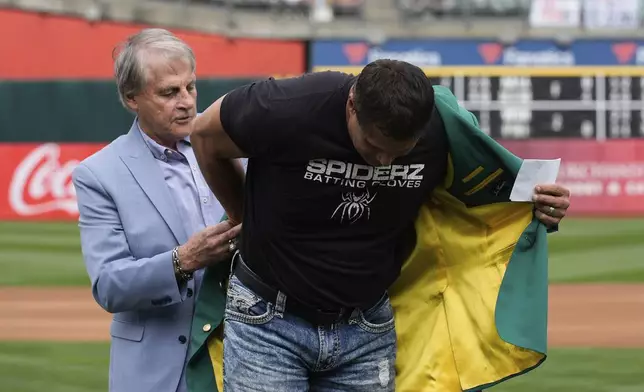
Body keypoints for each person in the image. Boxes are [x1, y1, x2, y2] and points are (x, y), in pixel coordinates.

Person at [188, 60, 571, 391]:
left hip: (367, 328)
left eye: (400, 152)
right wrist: (241, 216)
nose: (384, 162)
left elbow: (494, 190)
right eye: (373, 146)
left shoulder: (440, 127)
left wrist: (541, 205)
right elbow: (204, 135)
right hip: (268, 322)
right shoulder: (286, 106)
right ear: (352, 106)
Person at [71, 28, 241, 392]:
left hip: (242, 364)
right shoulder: (99, 174)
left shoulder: (234, 151)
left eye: (190, 87)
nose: (187, 102)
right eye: (169, 92)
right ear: (132, 98)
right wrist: (182, 261)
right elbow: (109, 286)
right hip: (159, 374)